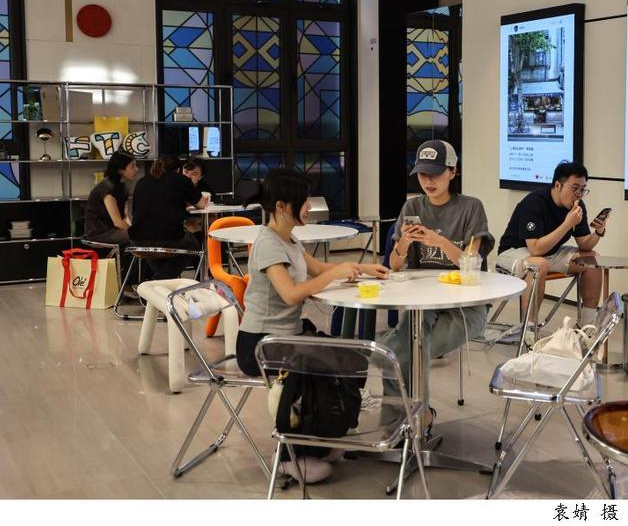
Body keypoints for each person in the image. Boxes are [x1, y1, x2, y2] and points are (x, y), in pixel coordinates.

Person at [236, 168, 389, 483]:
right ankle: (291, 455)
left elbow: (317, 268)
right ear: (282, 206)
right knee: (321, 371)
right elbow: (291, 294)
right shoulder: (268, 244)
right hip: (260, 344)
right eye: (303, 201)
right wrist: (335, 274)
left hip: (284, 337)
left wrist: (362, 268)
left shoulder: (287, 238)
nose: (309, 206)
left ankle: (321, 439)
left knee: (347, 357)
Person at [379, 139, 494, 431]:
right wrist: (405, 242)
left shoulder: (471, 207)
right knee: (400, 350)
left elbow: (471, 263)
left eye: (435, 173)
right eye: (422, 174)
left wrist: (438, 240)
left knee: (406, 349)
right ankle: (401, 424)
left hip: (466, 307)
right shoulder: (412, 206)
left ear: (453, 172)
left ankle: (416, 420)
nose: (428, 181)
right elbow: (394, 265)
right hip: (423, 305)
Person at [496, 162, 608, 339]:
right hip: (515, 252)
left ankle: (587, 326)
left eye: (583, 189)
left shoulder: (578, 206)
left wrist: (598, 232)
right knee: (539, 265)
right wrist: (567, 224)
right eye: (575, 188)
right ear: (558, 185)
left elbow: (584, 245)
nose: (579, 194)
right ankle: (529, 330)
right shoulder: (534, 203)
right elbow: (535, 248)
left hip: (549, 253)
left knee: (592, 260)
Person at [129, 154, 208, 279]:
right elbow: (202, 204)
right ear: (178, 169)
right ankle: (162, 278)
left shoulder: (142, 181)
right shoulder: (181, 180)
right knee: (193, 245)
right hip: (169, 238)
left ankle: (161, 280)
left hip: (137, 240)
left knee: (153, 248)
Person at [84, 151, 138, 245]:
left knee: (140, 234)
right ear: (120, 170)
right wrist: (135, 232)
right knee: (138, 236)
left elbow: (125, 217)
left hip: (113, 229)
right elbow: (117, 222)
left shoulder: (123, 186)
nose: (136, 169)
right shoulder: (107, 188)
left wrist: (132, 229)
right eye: (132, 166)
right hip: (99, 232)